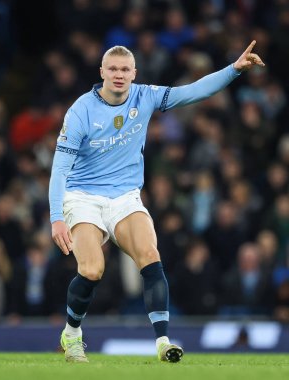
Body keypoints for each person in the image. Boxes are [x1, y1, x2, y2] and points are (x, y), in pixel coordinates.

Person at [49, 41, 264, 363]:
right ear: (102, 73)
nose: (119, 75)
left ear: (133, 73)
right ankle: (72, 334)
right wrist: (56, 217)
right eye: (113, 69)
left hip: (125, 196)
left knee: (150, 255)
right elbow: (60, 169)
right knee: (93, 269)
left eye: (125, 69)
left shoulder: (145, 95)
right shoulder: (81, 109)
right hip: (83, 196)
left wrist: (234, 69)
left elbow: (193, 91)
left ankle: (163, 340)